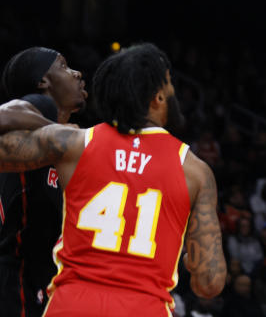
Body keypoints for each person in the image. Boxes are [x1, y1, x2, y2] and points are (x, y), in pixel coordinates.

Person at [0, 43, 226, 316]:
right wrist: (194, 258)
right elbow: (209, 283)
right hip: (143, 307)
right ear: (157, 97)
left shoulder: (73, 144)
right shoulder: (197, 172)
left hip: (71, 303)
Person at [0, 47, 87, 317]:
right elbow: (3, 114)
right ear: (42, 82)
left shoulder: (68, 146)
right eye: (63, 66)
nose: (77, 73)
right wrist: (57, 131)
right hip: (13, 277)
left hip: (36, 277)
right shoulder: (41, 106)